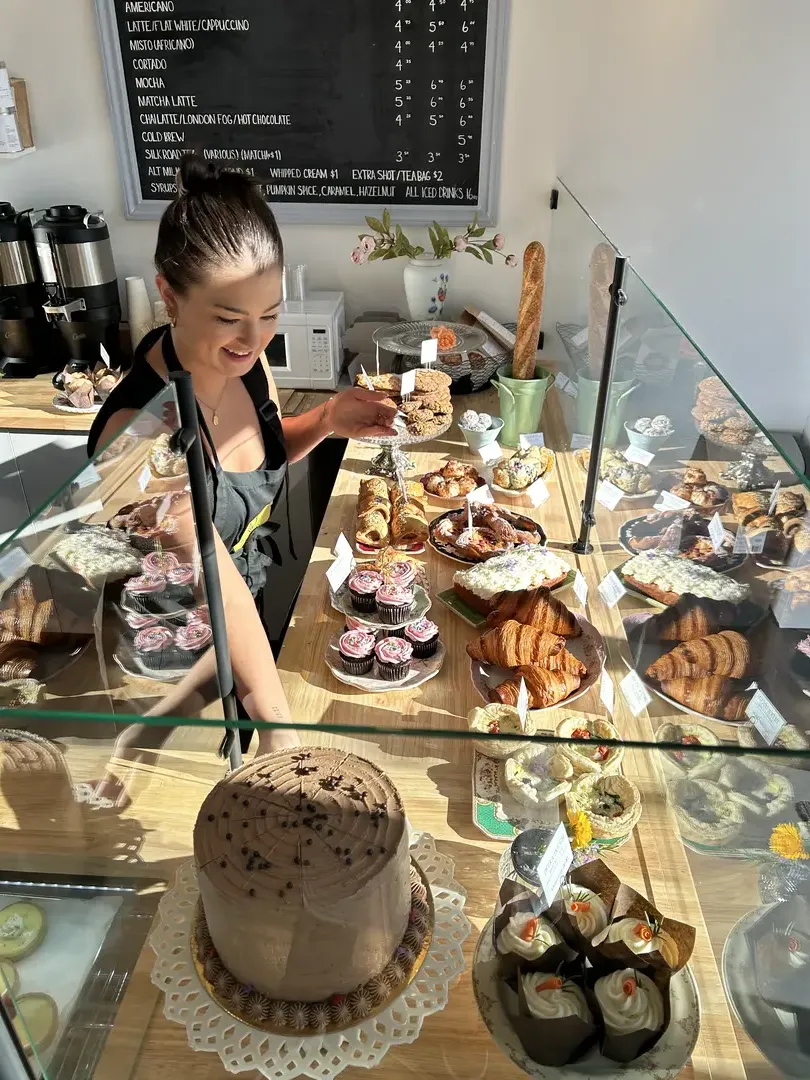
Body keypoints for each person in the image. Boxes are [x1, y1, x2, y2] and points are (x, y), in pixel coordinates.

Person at [88, 154, 396, 767]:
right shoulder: (144, 434)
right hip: (171, 667)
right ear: (168, 294)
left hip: (245, 627)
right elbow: (212, 583)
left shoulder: (246, 365)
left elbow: (267, 444)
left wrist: (329, 419)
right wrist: (280, 729)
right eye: (229, 318)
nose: (254, 341)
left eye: (270, 315)